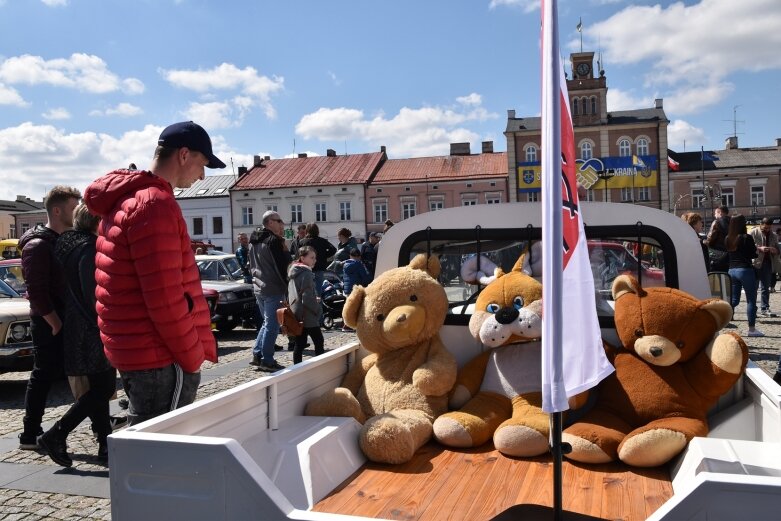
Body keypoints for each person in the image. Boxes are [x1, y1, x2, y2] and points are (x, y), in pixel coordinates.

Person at [84, 120, 220, 426]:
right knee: (161, 454)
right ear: (184, 155)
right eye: (202, 164)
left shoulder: (127, 199)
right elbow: (165, 297)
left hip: (137, 349)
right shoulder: (154, 205)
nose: (202, 175)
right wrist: (190, 358)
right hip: (158, 356)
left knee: (145, 447)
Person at [38, 204, 115, 467]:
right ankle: (56, 433)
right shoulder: (88, 248)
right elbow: (92, 293)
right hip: (90, 330)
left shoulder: (71, 246)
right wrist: (103, 323)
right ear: (97, 221)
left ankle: (106, 444)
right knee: (102, 388)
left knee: (99, 386)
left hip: (79, 327)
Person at [17, 186, 81, 450]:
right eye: (73, 207)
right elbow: (37, 293)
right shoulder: (37, 245)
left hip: (65, 318)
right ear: (57, 210)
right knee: (43, 375)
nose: (77, 212)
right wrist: (55, 323)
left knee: (82, 373)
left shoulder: (61, 240)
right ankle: (30, 434)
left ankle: (100, 424)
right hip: (49, 323)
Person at [248, 210, 290, 372]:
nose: (282, 224)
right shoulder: (273, 241)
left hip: (258, 286)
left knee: (267, 323)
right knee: (272, 325)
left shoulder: (253, 240)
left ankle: (257, 354)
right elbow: (283, 267)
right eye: (279, 221)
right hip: (273, 287)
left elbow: (250, 264)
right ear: (270, 223)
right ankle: (267, 359)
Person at [726, 214, 762, 337]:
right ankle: (752, 329)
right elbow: (753, 254)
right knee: (751, 300)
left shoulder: (728, 238)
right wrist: (756, 250)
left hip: (731, 270)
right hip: (745, 270)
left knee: (734, 300)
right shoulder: (746, 238)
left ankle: (722, 317)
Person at [288, 246, 325, 364]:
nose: (314, 260)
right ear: (302, 258)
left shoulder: (294, 271)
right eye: (312, 257)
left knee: (300, 342)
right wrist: (317, 309)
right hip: (307, 313)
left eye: (315, 257)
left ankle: (296, 368)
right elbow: (307, 297)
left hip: (298, 312)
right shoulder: (306, 273)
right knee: (319, 340)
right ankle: (320, 366)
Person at [750, 217, 779, 318]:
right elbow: (748, 247)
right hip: (755, 263)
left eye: (769, 228)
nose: (767, 230)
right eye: (765, 227)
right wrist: (759, 248)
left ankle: (765, 308)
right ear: (761, 224)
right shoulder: (753, 232)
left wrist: (774, 250)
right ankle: (752, 309)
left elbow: (778, 249)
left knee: (765, 288)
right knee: (753, 288)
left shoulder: (773, 235)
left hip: (767, 263)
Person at [299, 222, 337, 297]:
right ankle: (319, 307)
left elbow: (299, 255)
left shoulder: (303, 242)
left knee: (307, 294)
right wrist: (324, 256)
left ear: (307, 231)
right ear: (317, 231)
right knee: (318, 294)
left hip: (306, 269)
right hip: (319, 269)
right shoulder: (322, 241)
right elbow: (333, 249)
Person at [705, 205, 731, 272]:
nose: (714, 215)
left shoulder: (716, 222)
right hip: (731, 255)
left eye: (715, 213)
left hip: (718, 255)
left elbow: (710, 239)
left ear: (720, 213)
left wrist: (704, 241)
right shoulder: (733, 222)